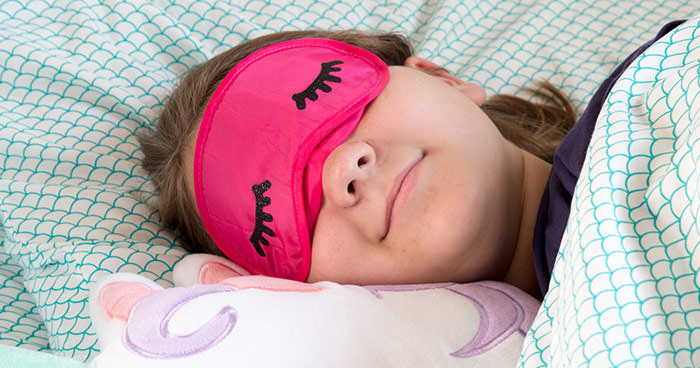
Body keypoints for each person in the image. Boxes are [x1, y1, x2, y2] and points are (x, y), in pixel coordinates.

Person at [140, 29, 600, 299]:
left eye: (328, 98)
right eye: (273, 214)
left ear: (442, 78)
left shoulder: (655, 101)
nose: (344, 168)